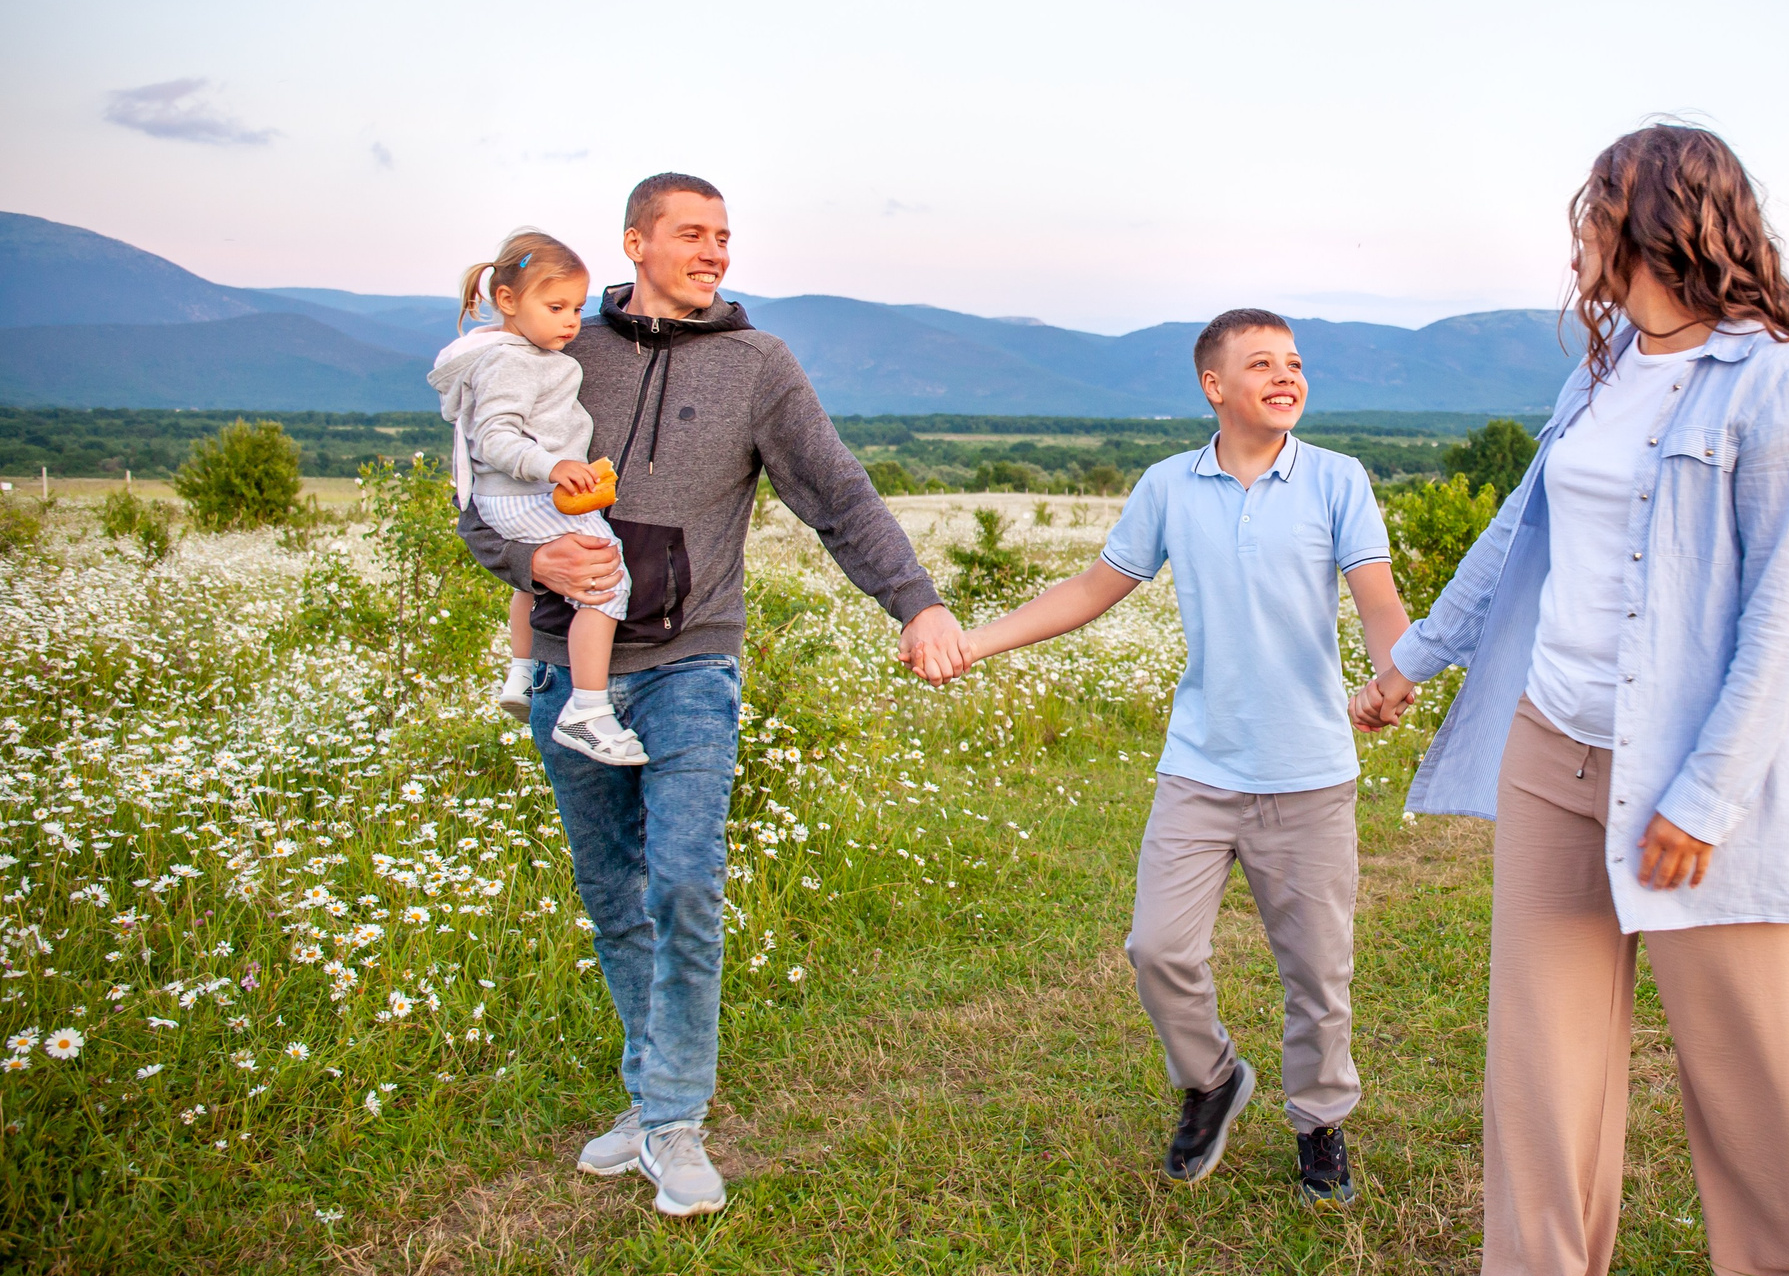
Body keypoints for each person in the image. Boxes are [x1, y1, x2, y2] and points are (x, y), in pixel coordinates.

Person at [1354, 126, 1789, 1276]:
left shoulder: (1778, 384)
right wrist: (1411, 663)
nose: (1578, 234)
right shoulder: (1597, 371)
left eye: (1594, 210)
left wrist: (1703, 794)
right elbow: (1514, 532)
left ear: (1657, 223)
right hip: (1554, 739)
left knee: (1742, 1037)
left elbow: (1780, 617)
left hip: (1699, 768)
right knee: (1542, 1039)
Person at [460, 173, 967, 1218]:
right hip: (569, 672)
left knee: (683, 884)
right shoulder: (557, 350)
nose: (715, 251)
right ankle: (651, 1099)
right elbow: (479, 495)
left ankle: (676, 1120)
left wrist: (913, 602)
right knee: (614, 899)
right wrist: (532, 568)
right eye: (692, 233)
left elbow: (837, 493)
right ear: (634, 242)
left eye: (725, 236)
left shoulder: (756, 366)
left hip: (693, 665)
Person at [959, 309, 1410, 1206]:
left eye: (1293, 362)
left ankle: (1320, 1121)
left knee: (1318, 973)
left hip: (1309, 773)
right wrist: (975, 643)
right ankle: (1211, 1079)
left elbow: (1377, 598)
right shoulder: (1169, 484)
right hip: (1200, 767)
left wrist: (1394, 672)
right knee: (1158, 947)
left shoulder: (1336, 478)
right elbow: (1092, 590)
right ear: (1214, 386)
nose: (1286, 376)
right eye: (1261, 364)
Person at [430, 231, 646, 767]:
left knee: (535, 578)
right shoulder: (513, 361)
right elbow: (495, 436)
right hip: (527, 491)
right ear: (507, 301)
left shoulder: (514, 353)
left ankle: (523, 674)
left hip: (509, 497)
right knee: (606, 579)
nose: (571, 321)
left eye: (575, 307)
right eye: (555, 307)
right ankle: (587, 711)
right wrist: (553, 466)